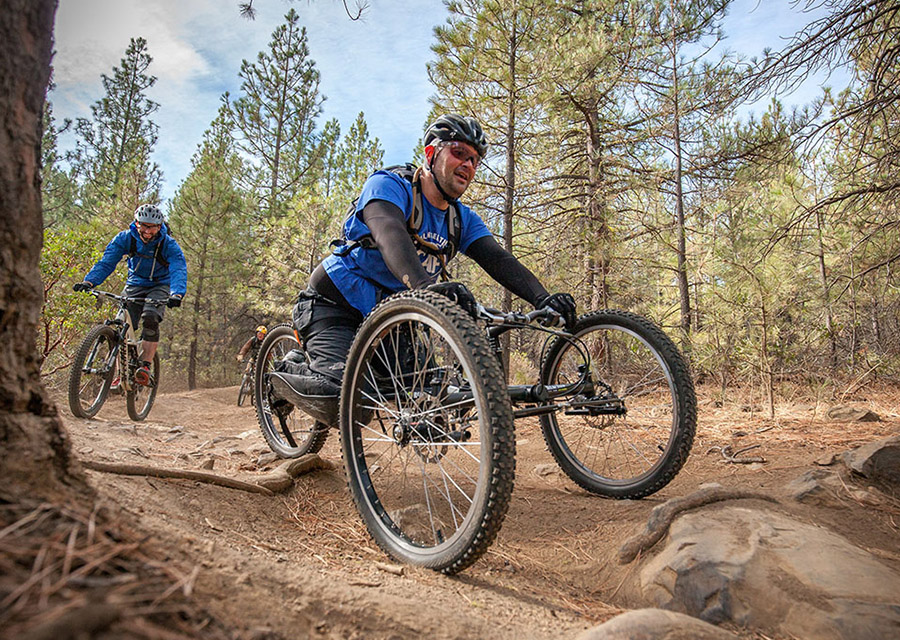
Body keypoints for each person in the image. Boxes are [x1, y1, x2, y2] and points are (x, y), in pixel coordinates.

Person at [271, 114, 575, 420]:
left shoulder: (461, 220)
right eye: (458, 152)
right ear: (431, 154)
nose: (468, 165)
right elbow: (389, 234)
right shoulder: (389, 186)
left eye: (474, 159)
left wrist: (543, 299)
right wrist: (425, 286)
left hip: (389, 319)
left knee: (432, 396)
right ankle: (284, 371)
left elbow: (499, 260)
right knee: (349, 404)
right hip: (336, 305)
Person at [74, 204, 187, 386]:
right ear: (136, 223)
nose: (147, 231)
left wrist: (177, 293)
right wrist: (89, 282)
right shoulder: (126, 238)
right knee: (122, 328)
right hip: (135, 284)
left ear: (159, 226)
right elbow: (107, 262)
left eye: (151, 227)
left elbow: (178, 268)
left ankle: (146, 366)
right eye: (143, 225)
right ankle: (121, 373)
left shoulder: (168, 244)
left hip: (160, 285)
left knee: (150, 317)